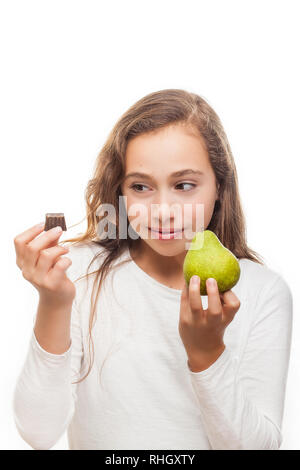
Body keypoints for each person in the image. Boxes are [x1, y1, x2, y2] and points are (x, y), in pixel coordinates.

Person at [13, 89, 293, 450]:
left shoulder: (263, 292)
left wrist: (207, 353)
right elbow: (38, 432)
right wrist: (54, 303)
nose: (163, 210)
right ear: (121, 191)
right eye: (141, 186)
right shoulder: (77, 272)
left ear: (219, 186)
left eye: (184, 185)